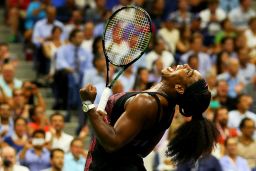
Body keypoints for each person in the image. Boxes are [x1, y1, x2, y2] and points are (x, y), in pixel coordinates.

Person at [80, 64, 219, 170]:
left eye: (188, 72)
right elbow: (142, 151)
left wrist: (88, 106)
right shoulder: (167, 109)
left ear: (180, 88)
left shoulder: (146, 103)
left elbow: (112, 143)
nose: (185, 66)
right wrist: (104, 120)